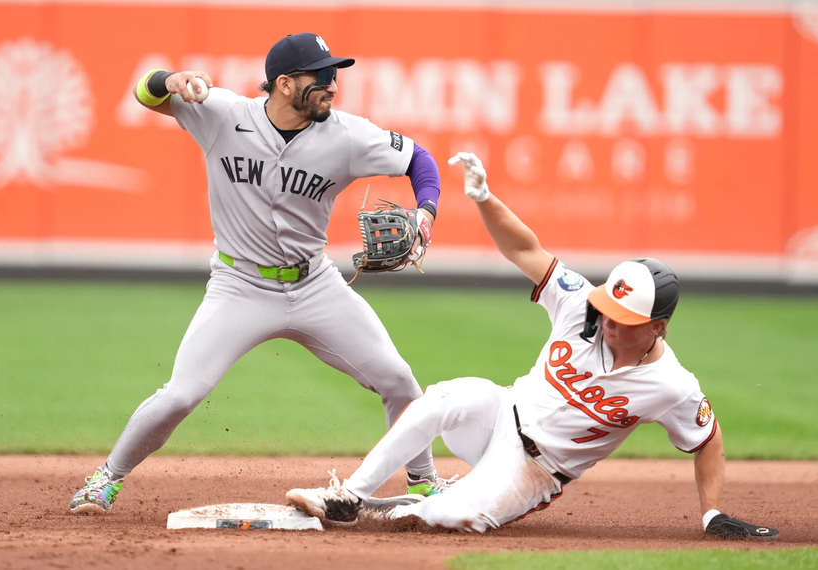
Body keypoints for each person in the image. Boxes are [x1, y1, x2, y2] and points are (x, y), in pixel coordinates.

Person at [285, 152, 780, 540]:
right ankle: (349, 498)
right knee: (444, 397)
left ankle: (416, 506)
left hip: (535, 470)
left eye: (626, 319)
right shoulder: (582, 304)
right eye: (609, 307)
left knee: (451, 517)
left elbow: (708, 439)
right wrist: (484, 198)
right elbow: (526, 248)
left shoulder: (671, 386)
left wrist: (712, 513)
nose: (609, 321)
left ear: (659, 328)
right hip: (499, 415)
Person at [70, 33, 446, 514]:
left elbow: (419, 160)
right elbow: (146, 92)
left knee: (399, 379)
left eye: (335, 75)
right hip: (239, 286)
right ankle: (105, 479)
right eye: (322, 76)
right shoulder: (223, 114)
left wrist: (426, 212)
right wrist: (170, 78)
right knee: (181, 395)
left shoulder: (348, 135)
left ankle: (425, 483)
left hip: (315, 286)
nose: (333, 85)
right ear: (285, 84)